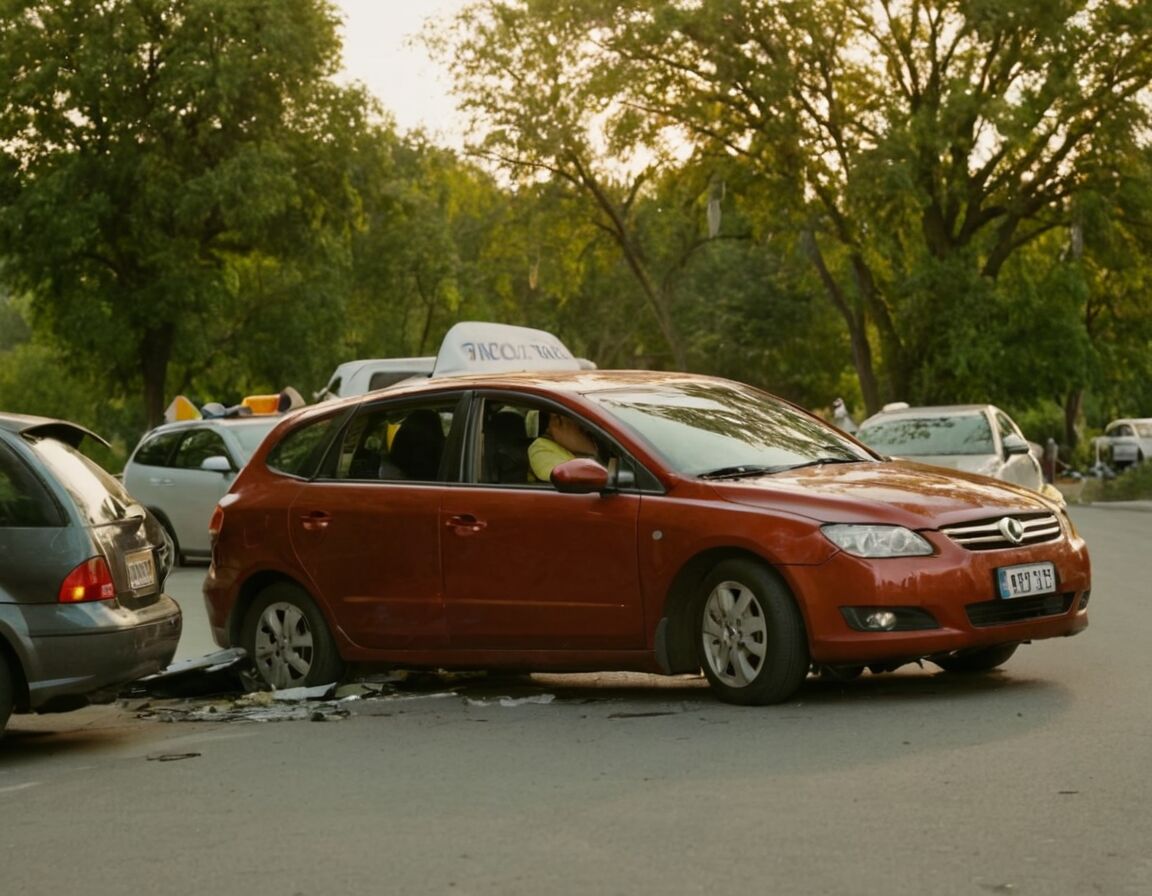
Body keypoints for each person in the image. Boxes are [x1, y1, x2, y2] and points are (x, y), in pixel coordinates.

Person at [529, 411, 598, 481]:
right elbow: (574, 477)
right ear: (557, 421)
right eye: (581, 424)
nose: (588, 429)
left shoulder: (570, 447)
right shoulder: (540, 449)